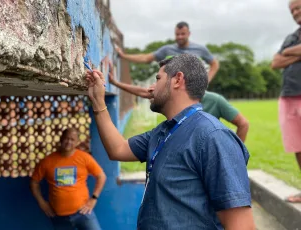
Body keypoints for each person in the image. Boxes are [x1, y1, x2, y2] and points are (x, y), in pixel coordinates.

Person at [86, 54, 255, 229]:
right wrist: (98, 102)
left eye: (158, 79)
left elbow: (242, 225)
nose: (152, 87)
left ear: (177, 80)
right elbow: (118, 149)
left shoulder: (214, 136)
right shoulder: (163, 131)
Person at [108, 66, 249, 142]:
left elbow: (243, 124)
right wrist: (115, 83)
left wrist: (236, 154)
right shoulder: (174, 96)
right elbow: (147, 92)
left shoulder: (215, 100)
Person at [30, 128, 106, 230]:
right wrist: (42, 203)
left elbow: (101, 176)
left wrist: (94, 198)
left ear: (77, 142)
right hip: (59, 217)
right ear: (61, 139)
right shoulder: (47, 161)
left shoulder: (84, 158)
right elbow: (34, 182)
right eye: (66, 138)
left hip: (83, 213)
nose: (69, 142)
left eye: (72, 139)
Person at [116, 21, 219, 82]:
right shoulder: (167, 50)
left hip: (195, 91)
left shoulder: (200, 49)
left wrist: (207, 80)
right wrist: (123, 56)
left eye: (182, 34)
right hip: (173, 90)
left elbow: (215, 64)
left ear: (189, 34)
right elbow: (146, 58)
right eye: (177, 34)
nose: (179, 37)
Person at [271, 0, 301, 203]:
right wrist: (296, 52)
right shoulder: (291, 37)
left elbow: (282, 57)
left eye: (298, 7)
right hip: (288, 95)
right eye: (292, 10)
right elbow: (275, 62)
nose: (295, 12)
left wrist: (288, 53)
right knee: (298, 146)